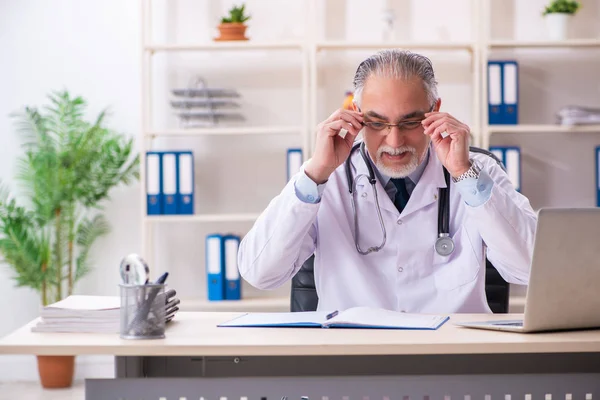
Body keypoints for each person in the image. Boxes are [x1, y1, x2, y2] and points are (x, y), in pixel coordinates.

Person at [238, 49, 537, 314]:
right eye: (377, 123)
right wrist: (315, 174)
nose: (394, 141)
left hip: (453, 356)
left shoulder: (477, 170)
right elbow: (260, 273)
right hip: (354, 358)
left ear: (435, 112)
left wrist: (464, 173)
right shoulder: (328, 178)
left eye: (409, 122)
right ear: (355, 116)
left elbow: (529, 269)